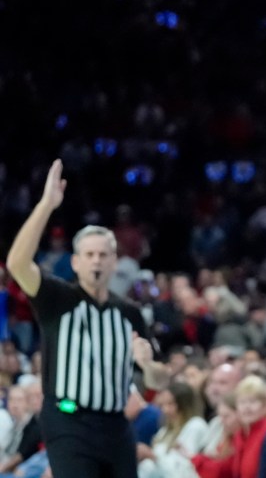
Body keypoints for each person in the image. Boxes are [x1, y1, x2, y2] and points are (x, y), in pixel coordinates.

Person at [5, 160, 170, 478]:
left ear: (114, 262)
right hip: (67, 419)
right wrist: (46, 206)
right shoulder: (57, 298)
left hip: (115, 423)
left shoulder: (129, 313)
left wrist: (149, 366)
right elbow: (17, 263)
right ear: (76, 262)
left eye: (103, 255)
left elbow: (157, 381)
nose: (97, 261)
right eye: (89, 255)